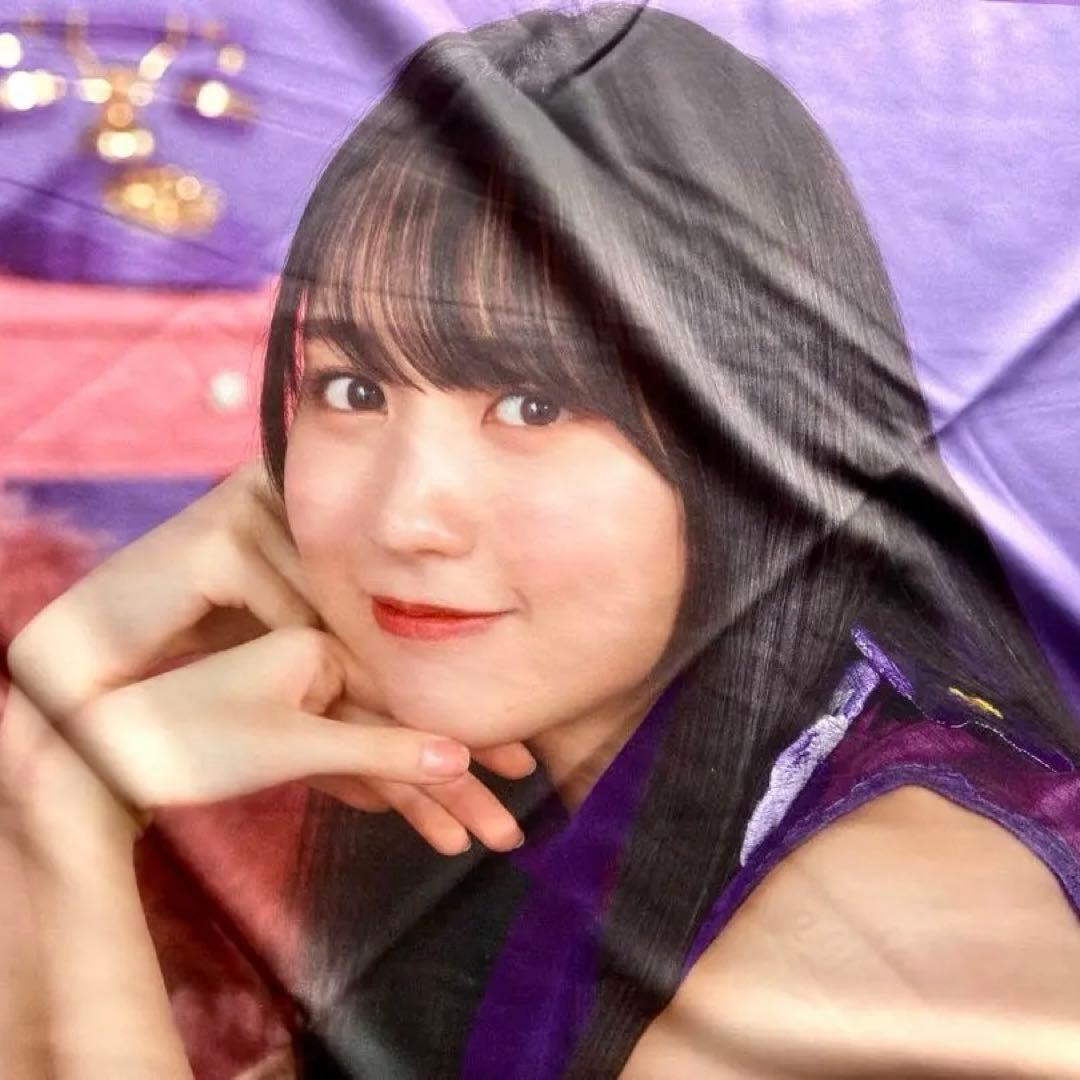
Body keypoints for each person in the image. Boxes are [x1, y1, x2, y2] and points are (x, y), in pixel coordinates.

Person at [3, 4, 1080, 1077]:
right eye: (354, 388)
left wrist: (67, 814)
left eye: (532, 406)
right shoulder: (514, 803)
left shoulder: (888, 930)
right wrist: (37, 740)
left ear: (761, 437)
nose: (405, 518)